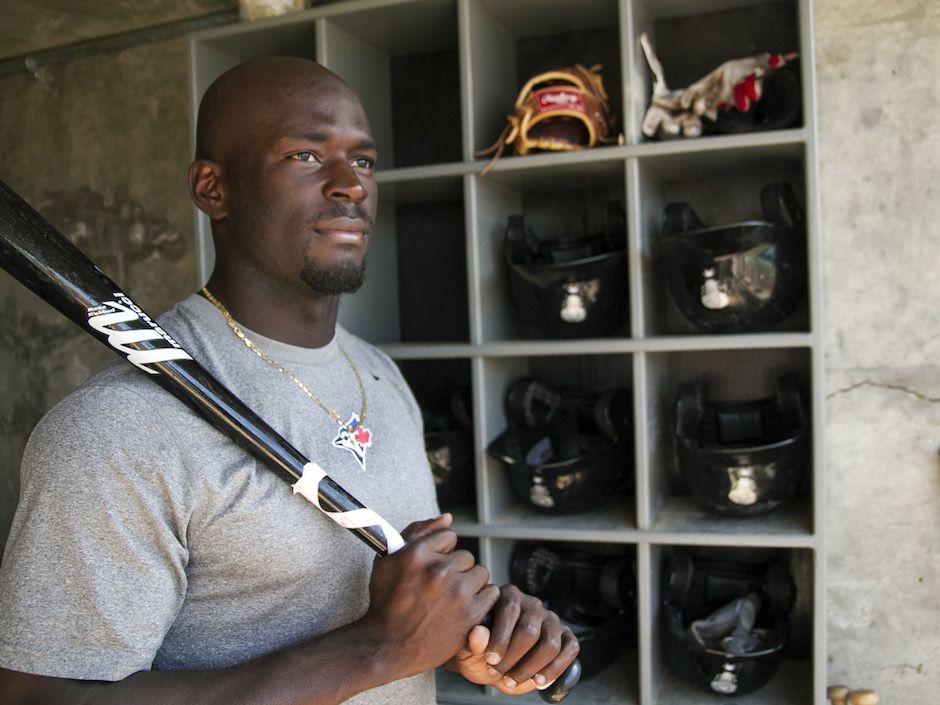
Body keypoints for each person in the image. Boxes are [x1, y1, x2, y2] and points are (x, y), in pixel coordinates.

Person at [0, 56, 579, 704]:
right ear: (212, 188)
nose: (350, 185)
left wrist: (465, 636)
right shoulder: (115, 428)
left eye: (362, 161)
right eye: (306, 156)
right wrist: (376, 646)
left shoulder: (379, 376)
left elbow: (405, 634)